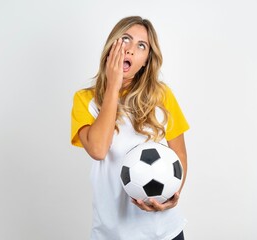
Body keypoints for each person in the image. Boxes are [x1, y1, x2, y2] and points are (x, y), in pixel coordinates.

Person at [71, 16, 189, 240]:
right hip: (112, 234)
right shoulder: (85, 99)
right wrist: (113, 86)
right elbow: (98, 149)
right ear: (111, 45)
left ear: (146, 60)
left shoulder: (161, 95)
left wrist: (172, 196)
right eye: (125, 39)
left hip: (164, 232)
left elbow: (179, 154)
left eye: (141, 45)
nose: (131, 50)